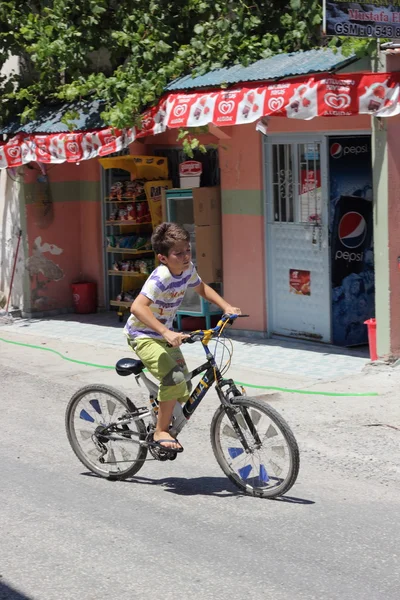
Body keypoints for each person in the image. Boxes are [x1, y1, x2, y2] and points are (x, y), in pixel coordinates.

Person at [124, 222, 241, 451]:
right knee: (174, 379)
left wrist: (226, 306)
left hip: (166, 334)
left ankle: (159, 411)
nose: (186, 256)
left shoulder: (187, 270)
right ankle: (160, 431)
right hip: (143, 335)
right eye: (178, 253)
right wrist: (166, 332)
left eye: (188, 250)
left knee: (184, 386)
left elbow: (201, 287)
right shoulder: (161, 277)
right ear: (163, 258)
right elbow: (137, 307)